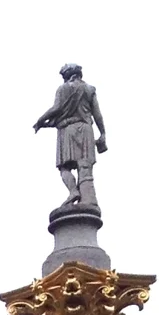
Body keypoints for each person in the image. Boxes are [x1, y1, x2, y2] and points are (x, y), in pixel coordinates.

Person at [32, 63, 107, 210]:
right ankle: (89, 199)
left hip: (68, 130)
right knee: (85, 167)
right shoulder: (90, 89)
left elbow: (57, 108)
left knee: (64, 167)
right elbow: (97, 114)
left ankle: (73, 191)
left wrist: (40, 121)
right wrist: (103, 133)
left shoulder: (63, 88)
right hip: (86, 129)